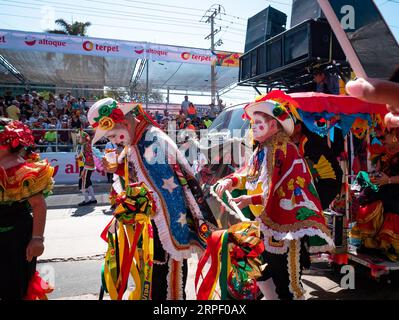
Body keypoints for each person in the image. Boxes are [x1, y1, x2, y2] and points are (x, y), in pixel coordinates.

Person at [88, 98, 218, 300]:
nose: (114, 141)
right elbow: (137, 176)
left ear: (124, 121)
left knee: (166, 285)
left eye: (113, 135)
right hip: (151, 229)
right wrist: (117, 169)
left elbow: (167, 190)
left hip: (166, 225)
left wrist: (139, 206)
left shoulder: (152, 139)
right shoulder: (136, 141)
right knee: (154, 282)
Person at [215, 91, 334, 300]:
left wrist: (250, 199)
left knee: (286, 282)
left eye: (258, 122)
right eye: (253, 122)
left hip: (285, 227)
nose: (253, 127)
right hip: (266, 224)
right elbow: (247, 174)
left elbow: (283, 190)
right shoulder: (261, 150)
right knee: (257, 266)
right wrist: (230, 181)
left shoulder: (285, 150)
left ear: (273, 125)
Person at [0, 118, 54, 300]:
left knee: (15, 289)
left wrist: (37, 239)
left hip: (17, 241)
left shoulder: (23, 170)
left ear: (7, 142)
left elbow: (38, 205)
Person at [351, 128, 399, 261]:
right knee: (368, 201)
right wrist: (374, 177)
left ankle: (388, 246)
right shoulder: (382, 152)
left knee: (389, 206)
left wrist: (388, 180)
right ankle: (372, 244)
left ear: (396, 136)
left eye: (387, 135)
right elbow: (378, 170)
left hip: (395, 191)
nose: (383, 138)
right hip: (383, 188)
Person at [291, 120, 343, 210]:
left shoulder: (309, 141)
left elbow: (305, 170)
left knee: (310, 211)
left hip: (328, 182)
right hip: (321, 181)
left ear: (298, 127)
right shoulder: (303, 141)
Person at [76, 130, 97, 206]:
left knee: (83, 182)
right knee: (87, 182)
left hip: (86, 166)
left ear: (84, 138)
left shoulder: (86, 144)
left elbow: (86, 156)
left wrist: (79, 157)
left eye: (80, 137)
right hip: (86, 165)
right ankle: (93, 198)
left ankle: (86, 200)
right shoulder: (84, 144)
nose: (78, 139)